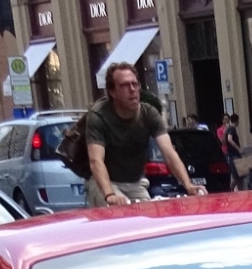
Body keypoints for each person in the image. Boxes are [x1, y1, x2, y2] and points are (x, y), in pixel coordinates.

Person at [82, 62, 200, 206]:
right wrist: (110, 195)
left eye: (135, 84)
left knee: (147, 219)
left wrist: (188, 185)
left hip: (135, 183)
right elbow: (96, 161)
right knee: (119, 211)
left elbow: (169, 153)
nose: (132, 89)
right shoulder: (98, 116)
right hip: (105, 183)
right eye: (125, 85)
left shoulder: (148, 113)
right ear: (112, 92)